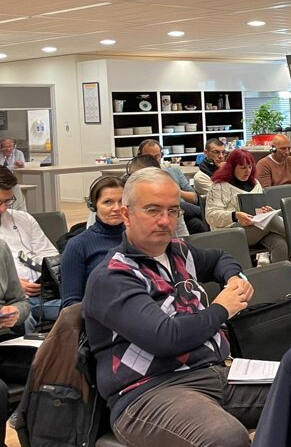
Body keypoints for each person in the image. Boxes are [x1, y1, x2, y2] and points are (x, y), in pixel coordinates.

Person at [84, 168, 266, 447]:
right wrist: (221, 308)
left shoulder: (179, 251)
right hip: (146, 395)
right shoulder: (111, 277)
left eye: (172, 210)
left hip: (212, 375)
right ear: (126, 214)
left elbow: (219, 258)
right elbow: (164, 337)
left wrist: (235, 277)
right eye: (153, 210)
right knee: (226, 442)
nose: (165, 220)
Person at [0, 167, 60, 332]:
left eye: (8, 201)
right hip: (14, 299)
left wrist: (46, 279)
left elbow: (50, 256)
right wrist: (13, 284)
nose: (3, 209)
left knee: (82, 307)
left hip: (43, 293)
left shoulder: (23, 219)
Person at [205, 149, 289, 263]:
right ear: (232, 167)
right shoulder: (218, 186)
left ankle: (280, 274)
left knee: (281, 244)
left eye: (250, 167)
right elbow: (210, 216)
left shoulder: (255, 183)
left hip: (255, 227)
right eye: (243, 168)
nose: (248, 171)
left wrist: (266, 211)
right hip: (229, 231)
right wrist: (235, 215)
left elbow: (258, 208)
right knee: (272, 220)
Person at [0, 240, 32, 447]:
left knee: (63, 365)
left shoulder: (0, 248)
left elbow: (21, 301)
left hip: (3, 342)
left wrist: (15, 313)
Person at [60, 175, 127, 308]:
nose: (116, 208)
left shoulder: (138, 238)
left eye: (121, 201)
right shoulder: (78, 245)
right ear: (94, 206)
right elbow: (70, 303)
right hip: (97, 315)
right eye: (108, 202)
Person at [137, 138, 207, 234]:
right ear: (140, 156)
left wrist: (176, 191)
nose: (153, 160)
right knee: (193, 211)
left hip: (182, 213)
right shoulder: (135, 176)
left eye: (156, 156)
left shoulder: (173, 171)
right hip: (162, 212)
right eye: (148, 157)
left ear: (161, 155)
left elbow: (193, 198)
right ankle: (208, 214)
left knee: (197, 223)